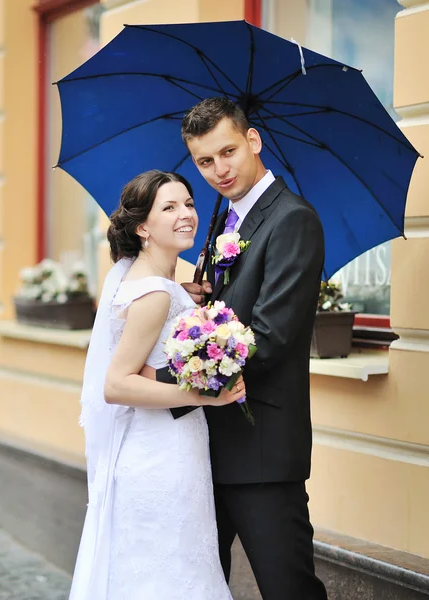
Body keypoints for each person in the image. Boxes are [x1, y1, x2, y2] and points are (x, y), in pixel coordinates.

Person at [156, 97, 328, 600]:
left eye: (227, 152)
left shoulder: (292, 219)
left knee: (288, 588)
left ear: (253, 141)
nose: (218, 170)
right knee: (204, 584)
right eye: (204, 161)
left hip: (262, 448)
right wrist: (196, 302)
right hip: (207, 442)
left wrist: (158, 384)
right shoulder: (223, 222)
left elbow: (270, 337)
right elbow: (233, 312)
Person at [69, 169, 244, 600]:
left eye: (188, 203)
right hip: (162, 456)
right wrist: (207, 395)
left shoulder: (150, 283)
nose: (186, 214)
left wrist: (185, 297)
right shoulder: (155, 294)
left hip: (159, 446)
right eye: (169, 208)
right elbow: (117, 385)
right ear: (143, 227)